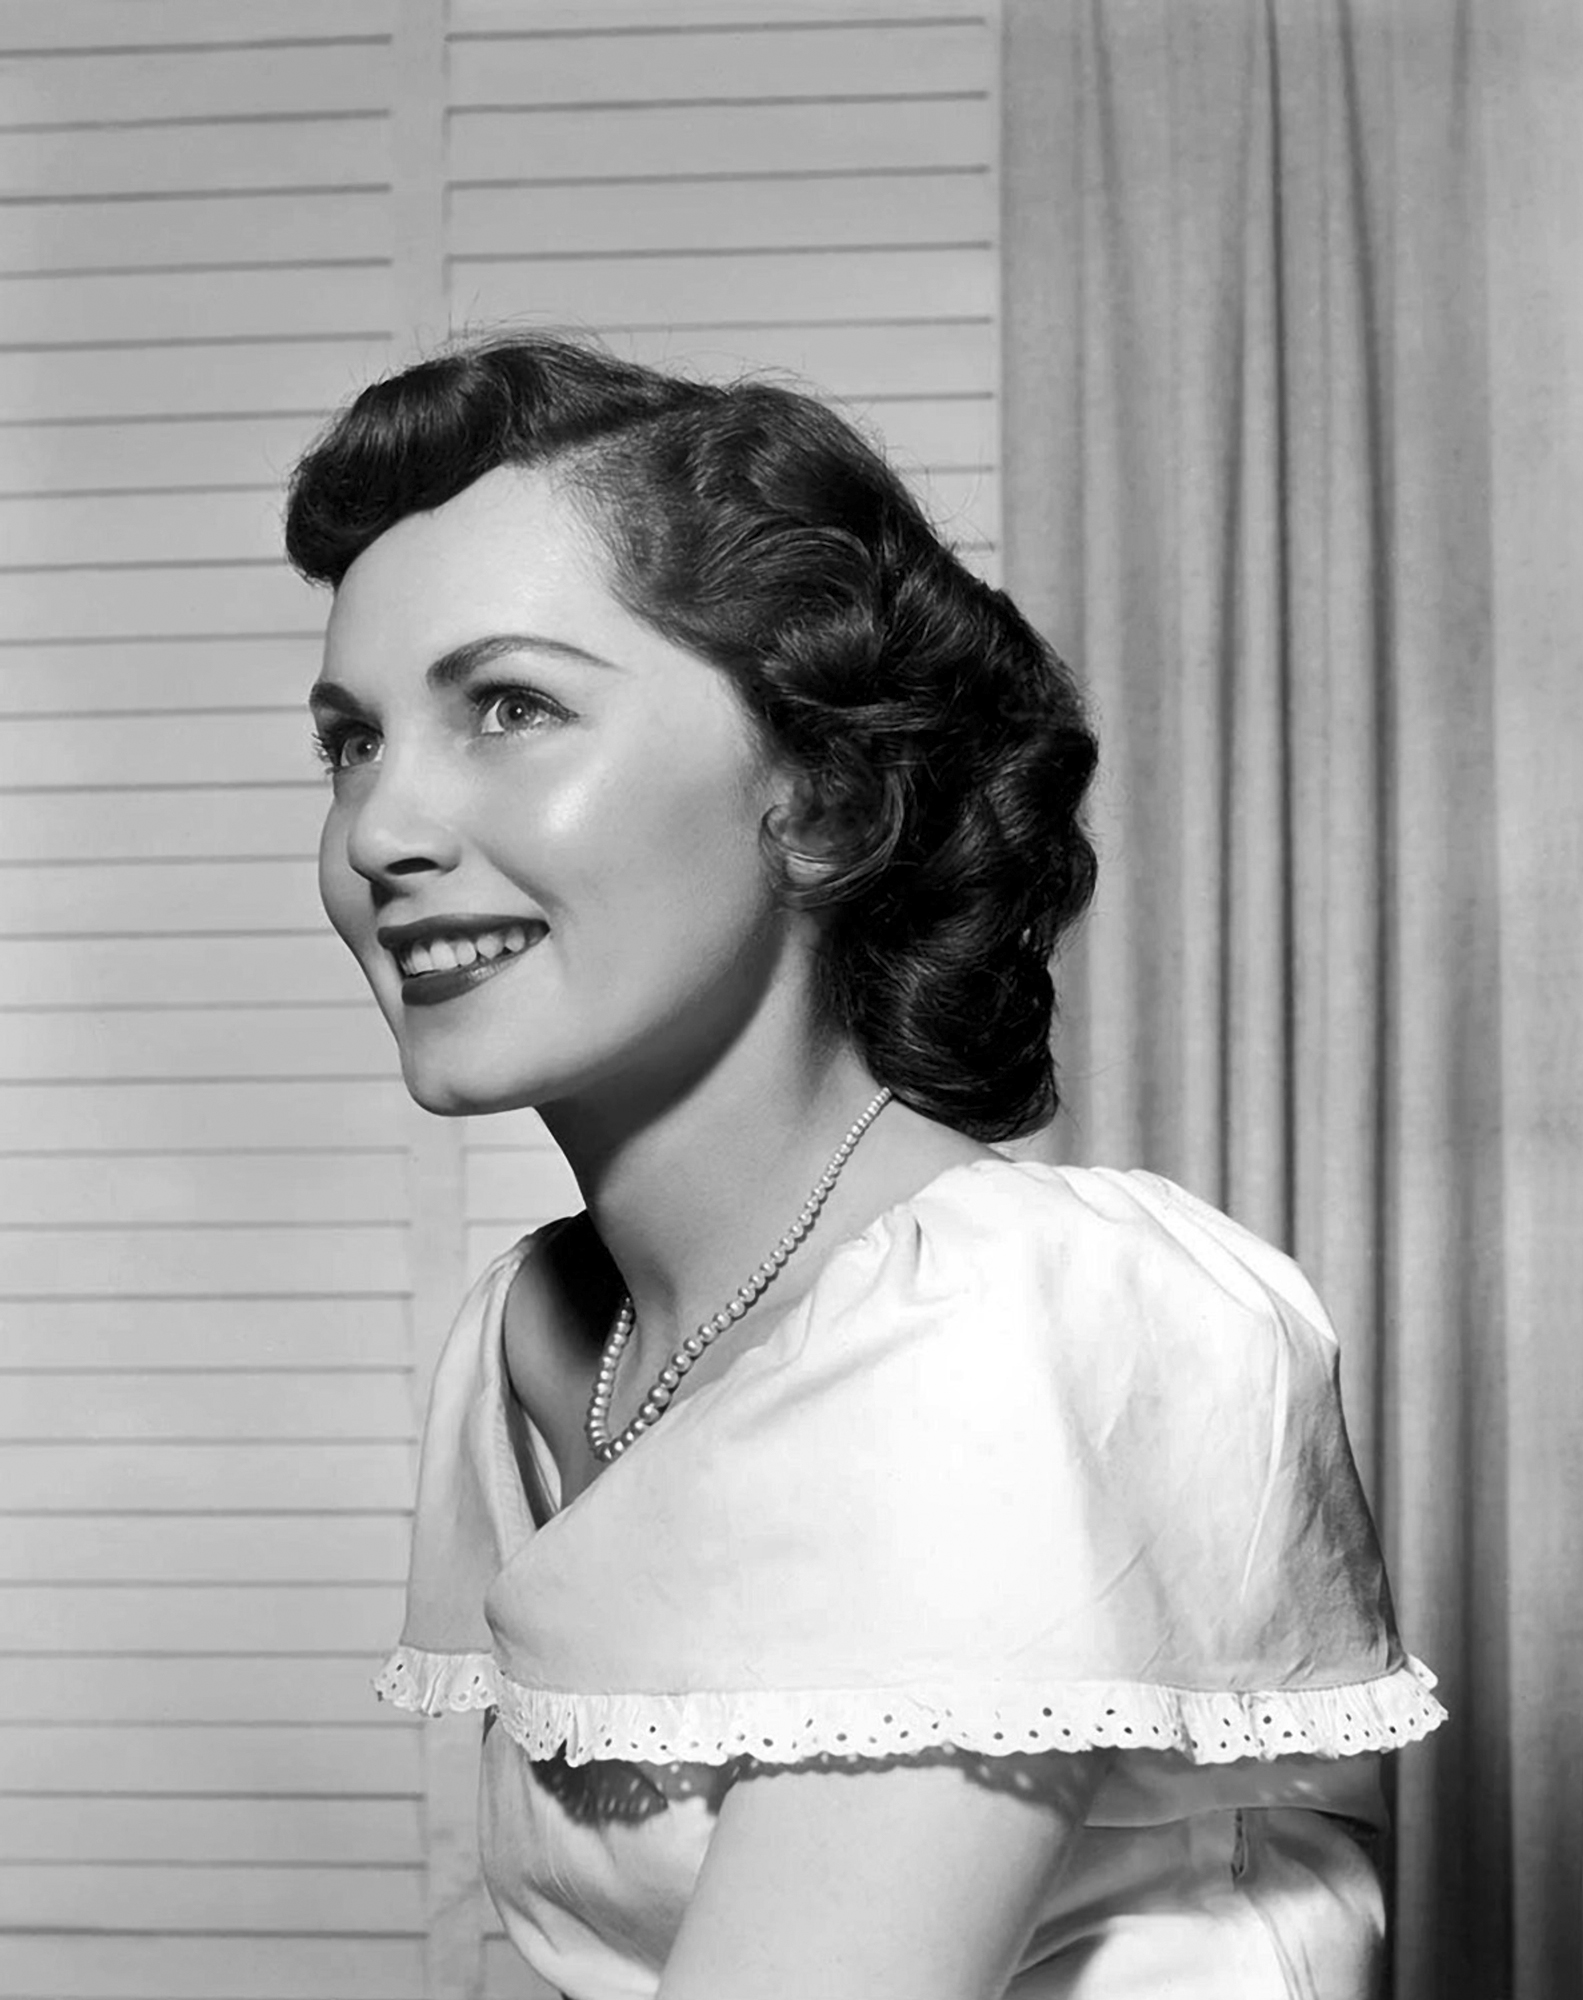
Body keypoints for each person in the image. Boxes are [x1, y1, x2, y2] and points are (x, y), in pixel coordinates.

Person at [285, 333, 1445, 2000]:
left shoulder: (1010, 1323)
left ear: (822, 800)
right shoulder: (543, 1336)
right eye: (351, 742)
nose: (381, 832)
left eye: (513, 708)